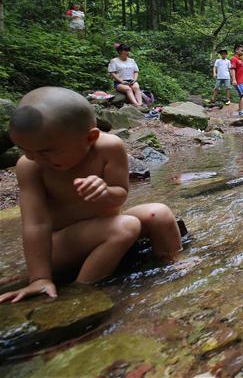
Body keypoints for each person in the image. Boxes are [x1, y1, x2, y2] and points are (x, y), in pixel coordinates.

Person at [0, 87, 182, 302]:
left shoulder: (109, 148)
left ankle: (173, 265)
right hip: (60, 246)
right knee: (126, 226)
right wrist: (39, 277)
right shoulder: (30, 167)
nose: (34, 157)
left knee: (159, 213)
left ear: (90, 138)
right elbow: (35, 224)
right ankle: (83, 293)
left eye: (45, 151)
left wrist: (105, 192)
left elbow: (120, 195)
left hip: (107, 226)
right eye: (23, 149)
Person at [230, 45, 243, 116]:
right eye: (241, 50)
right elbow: (232, 69)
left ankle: (242, 109)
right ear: (236, 50)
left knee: (242, 95)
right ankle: (241, 110)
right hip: (239, 81)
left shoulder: (241, 59)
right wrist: (234, 79)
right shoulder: (234, 59)